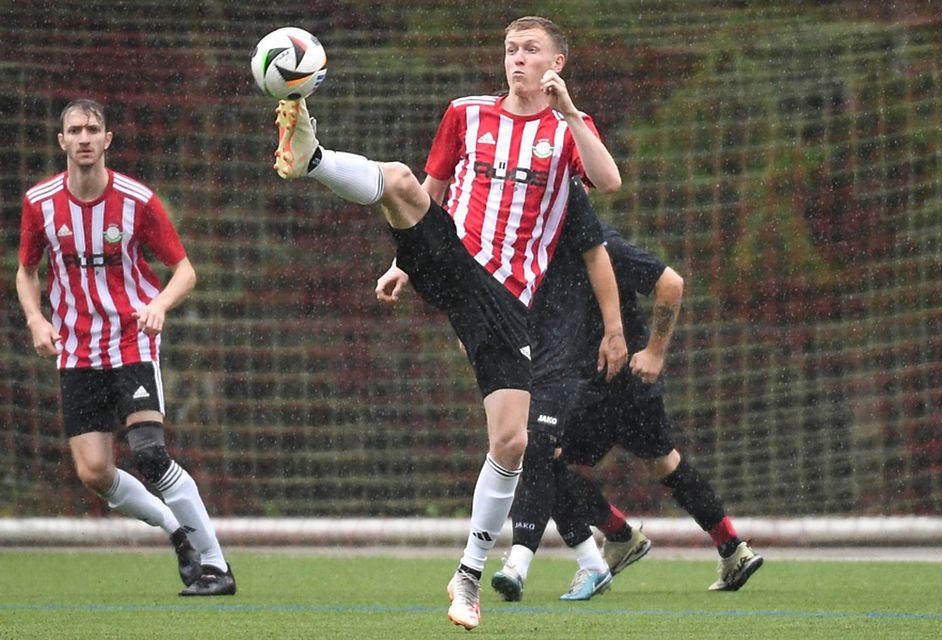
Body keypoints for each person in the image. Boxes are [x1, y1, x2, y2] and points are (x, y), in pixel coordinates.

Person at [273, 15, 627, 630]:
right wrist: (401, 262)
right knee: (402, 180)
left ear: (556, 64)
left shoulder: (569, 130)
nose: (518, 59)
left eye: (531, 51)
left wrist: (570, 112)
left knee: (511, 441)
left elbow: (609, 180)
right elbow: (429, 189)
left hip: (510, 301)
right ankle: (312, 156)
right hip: (456, 257)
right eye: (511, 49)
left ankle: (467, 574)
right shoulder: (465, 113)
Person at [16, 99, 236, 597]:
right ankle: (175, 530)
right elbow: (26, 271)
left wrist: (159, 304)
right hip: (76, 351)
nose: (85, 137)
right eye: (75, 130)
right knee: (94, 471)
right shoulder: (40, 203)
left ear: (108, 138)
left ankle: (216, 566)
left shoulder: (136, 200)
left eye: (93, 128)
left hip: (132, 342)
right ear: (62, 142)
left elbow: (185, 271)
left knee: (150, 454)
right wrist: (35, 318)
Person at [491, 221, 763, 600]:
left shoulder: (600, 245)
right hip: (620, 388)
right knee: (665, 463)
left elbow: (671, 284)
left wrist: (655, 353)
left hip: (604, 386)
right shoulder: (536, 248)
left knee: (542, 458)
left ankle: (618, 535)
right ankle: (732, 546)